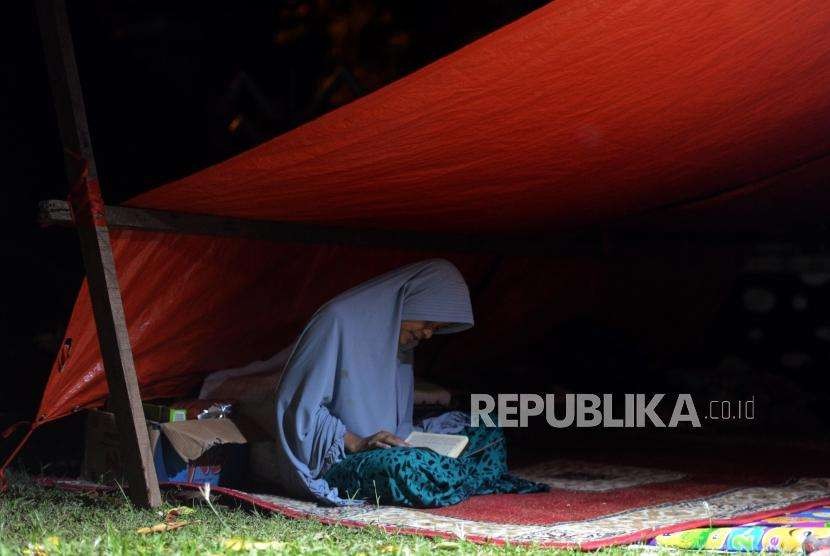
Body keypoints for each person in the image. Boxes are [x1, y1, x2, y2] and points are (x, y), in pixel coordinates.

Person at [273, 259, 546, 506]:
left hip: (393, 446)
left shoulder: (401, 338)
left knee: (487, 431)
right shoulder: (336, 321)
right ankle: (451, 475)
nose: (427, 334)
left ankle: (443, 473)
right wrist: (357, 442)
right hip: (342, 458)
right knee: (406, 467)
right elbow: (298, 411)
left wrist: (408, 438)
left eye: (435, 329)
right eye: (427, 322)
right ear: (409, 299)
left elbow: (396, 423)